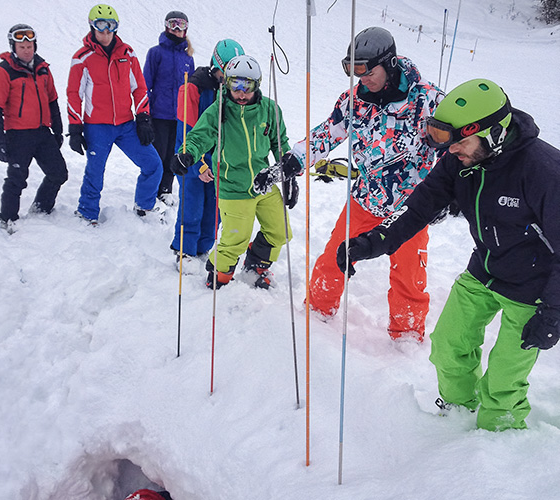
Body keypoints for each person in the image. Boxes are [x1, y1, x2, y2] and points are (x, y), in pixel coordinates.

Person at [337, 78, 560, 431]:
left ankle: (498, 442)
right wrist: (372, 242)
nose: (453, 152)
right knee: (448, 346)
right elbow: (419, 207)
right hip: (485, 269)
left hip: (533, 287)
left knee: (503, 377)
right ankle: (456, 415)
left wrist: (553, 312)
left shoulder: (544, 171)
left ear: (495, 133)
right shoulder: (461, 159)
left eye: (462, 143)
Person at [282, 26, 444, 341]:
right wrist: (295, 159)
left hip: (410, 208)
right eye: (354, 70)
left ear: (390, 63)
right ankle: (316, 315)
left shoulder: (428, 100)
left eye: (367, 70)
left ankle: (406, 338)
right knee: (333, 258)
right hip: (365, 200)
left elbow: (454, 151)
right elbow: (327, 134)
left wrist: (445, 198)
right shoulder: (355, 100)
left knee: (409, 276)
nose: (362, 78)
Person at [171, 55, 297, 289]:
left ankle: (255, 266)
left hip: (263, 183)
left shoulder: (269, 110)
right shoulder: (218, 111)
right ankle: (218, 275)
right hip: (233, 186)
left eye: (247, 86)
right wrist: (187, 153)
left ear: (256, 85)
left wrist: (287, 173)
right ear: (226, 83)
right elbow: (199, 136)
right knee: (235, 240)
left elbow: (280, 143)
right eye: (235, 85)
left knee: (280, 231)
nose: (240, 93)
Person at [67, 4, 162, 225]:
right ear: (92, 27)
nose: (106, 32)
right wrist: (75, 127)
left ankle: (144, 206)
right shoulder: (82, 58)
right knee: (95, 171)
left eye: (111, 27)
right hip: (97, 126)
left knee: (153, 164)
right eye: (101, 26)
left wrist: (143, 118)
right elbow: (74, 94)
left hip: (126, 124)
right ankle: (87, 212)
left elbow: (139, 87)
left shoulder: (127, 53)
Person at [170, 39, 245, 270]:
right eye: (226, 73)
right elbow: (187, 132)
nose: (230, 79)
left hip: (218, 160)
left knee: (215, 207)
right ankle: (184, 249)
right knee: (192, 202)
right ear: (216, 66)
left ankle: (202, 247)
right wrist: (199, 165)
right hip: (191, 157)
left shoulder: (233, 91)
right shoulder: (192, 88)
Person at [0, 24, 68, 234]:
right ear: (13, 47)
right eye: (21, 46)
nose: (26, 49)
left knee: (59, 173)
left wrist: (57, 131)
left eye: (30, 45)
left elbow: (53, 101)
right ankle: (7, 219)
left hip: (42, 133)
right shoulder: (3, 71)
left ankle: (41, 209)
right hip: (17, 135)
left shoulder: (43, 68)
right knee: (16, 179)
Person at [143, 11, 195, 205]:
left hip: (179, 117)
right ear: (166, 26)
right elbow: (145, 83)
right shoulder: (156, 52)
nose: (177, 29)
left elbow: (191, 89)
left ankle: (166, 189)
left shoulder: (188, 58)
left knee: (173, 154)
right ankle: (151, 192)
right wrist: (145, 114)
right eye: (173, 24)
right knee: (157, 154)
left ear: (186, 29)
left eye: (181, 25)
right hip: (159, 114)